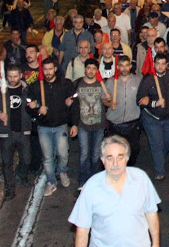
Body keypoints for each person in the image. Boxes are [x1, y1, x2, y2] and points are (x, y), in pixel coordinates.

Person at [69, 136, 161, 247]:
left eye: (120, 157)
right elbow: (82, 230)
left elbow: (151, 214)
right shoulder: (91, 187)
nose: (115, 164)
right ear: (102, 160)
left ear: (127, 158)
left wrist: (156, 245)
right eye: (110, 158)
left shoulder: (141, 179)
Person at [27, 57, 78, 197]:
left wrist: (73, 121)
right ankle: (51, 181)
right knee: (48, 156)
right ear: (42, 71)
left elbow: (74, 99)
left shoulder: (65, 84)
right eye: (45, 69)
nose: (48, 72)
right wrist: (36, 109)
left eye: (50, 69)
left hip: (61, 125)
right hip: (43, 127)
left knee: (63, 153)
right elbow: (28, 103)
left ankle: (62, 171)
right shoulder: (36, 86)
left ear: (55, 69)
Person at [0, 65, 31, 200]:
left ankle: (21, 175)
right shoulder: (0, 91)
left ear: (21, 76)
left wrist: (35, 106)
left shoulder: (26, 90)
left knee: (27, 159)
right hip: (6, 133)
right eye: (10, 77)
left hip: (23, 131)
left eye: (15, 76)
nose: (12, 79)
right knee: (7, 162)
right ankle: (10, 188)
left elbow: (35, 104)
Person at [137, 53, 169, 180]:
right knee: (157, 144)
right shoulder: (148, 80)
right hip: (152, 119)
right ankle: (160, 170)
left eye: (163, 64)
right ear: (154, 64)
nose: (160, 67)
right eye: (157, 64)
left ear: (166, 65)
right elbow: (139, 100)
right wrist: (154, 103)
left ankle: (159, 157)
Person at [73, 59, 111, 190]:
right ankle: (83, 181)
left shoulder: (102, 85)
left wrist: (108, 100)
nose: (91, 71)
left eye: (94, 68)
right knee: (84, 153)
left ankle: (95, 180)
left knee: (96, 154)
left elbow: (106, 103)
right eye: (88, 68)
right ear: (85, 69)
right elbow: (72, 100)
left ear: (97, 70)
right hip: (82, 124)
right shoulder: (78, 83)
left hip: (98, 124)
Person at [104, 56, 142, 166]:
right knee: (116, 151)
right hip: (116, 124)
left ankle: (129, 170)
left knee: (134, 150)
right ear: (117, 67)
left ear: (130, 66)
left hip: (133, 123)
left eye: (126, 65)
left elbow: (144, 95)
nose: (124, 68)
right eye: (121, 66)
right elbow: (103, 99)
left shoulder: (138, 80)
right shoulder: (111, 82)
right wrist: (109, 103)